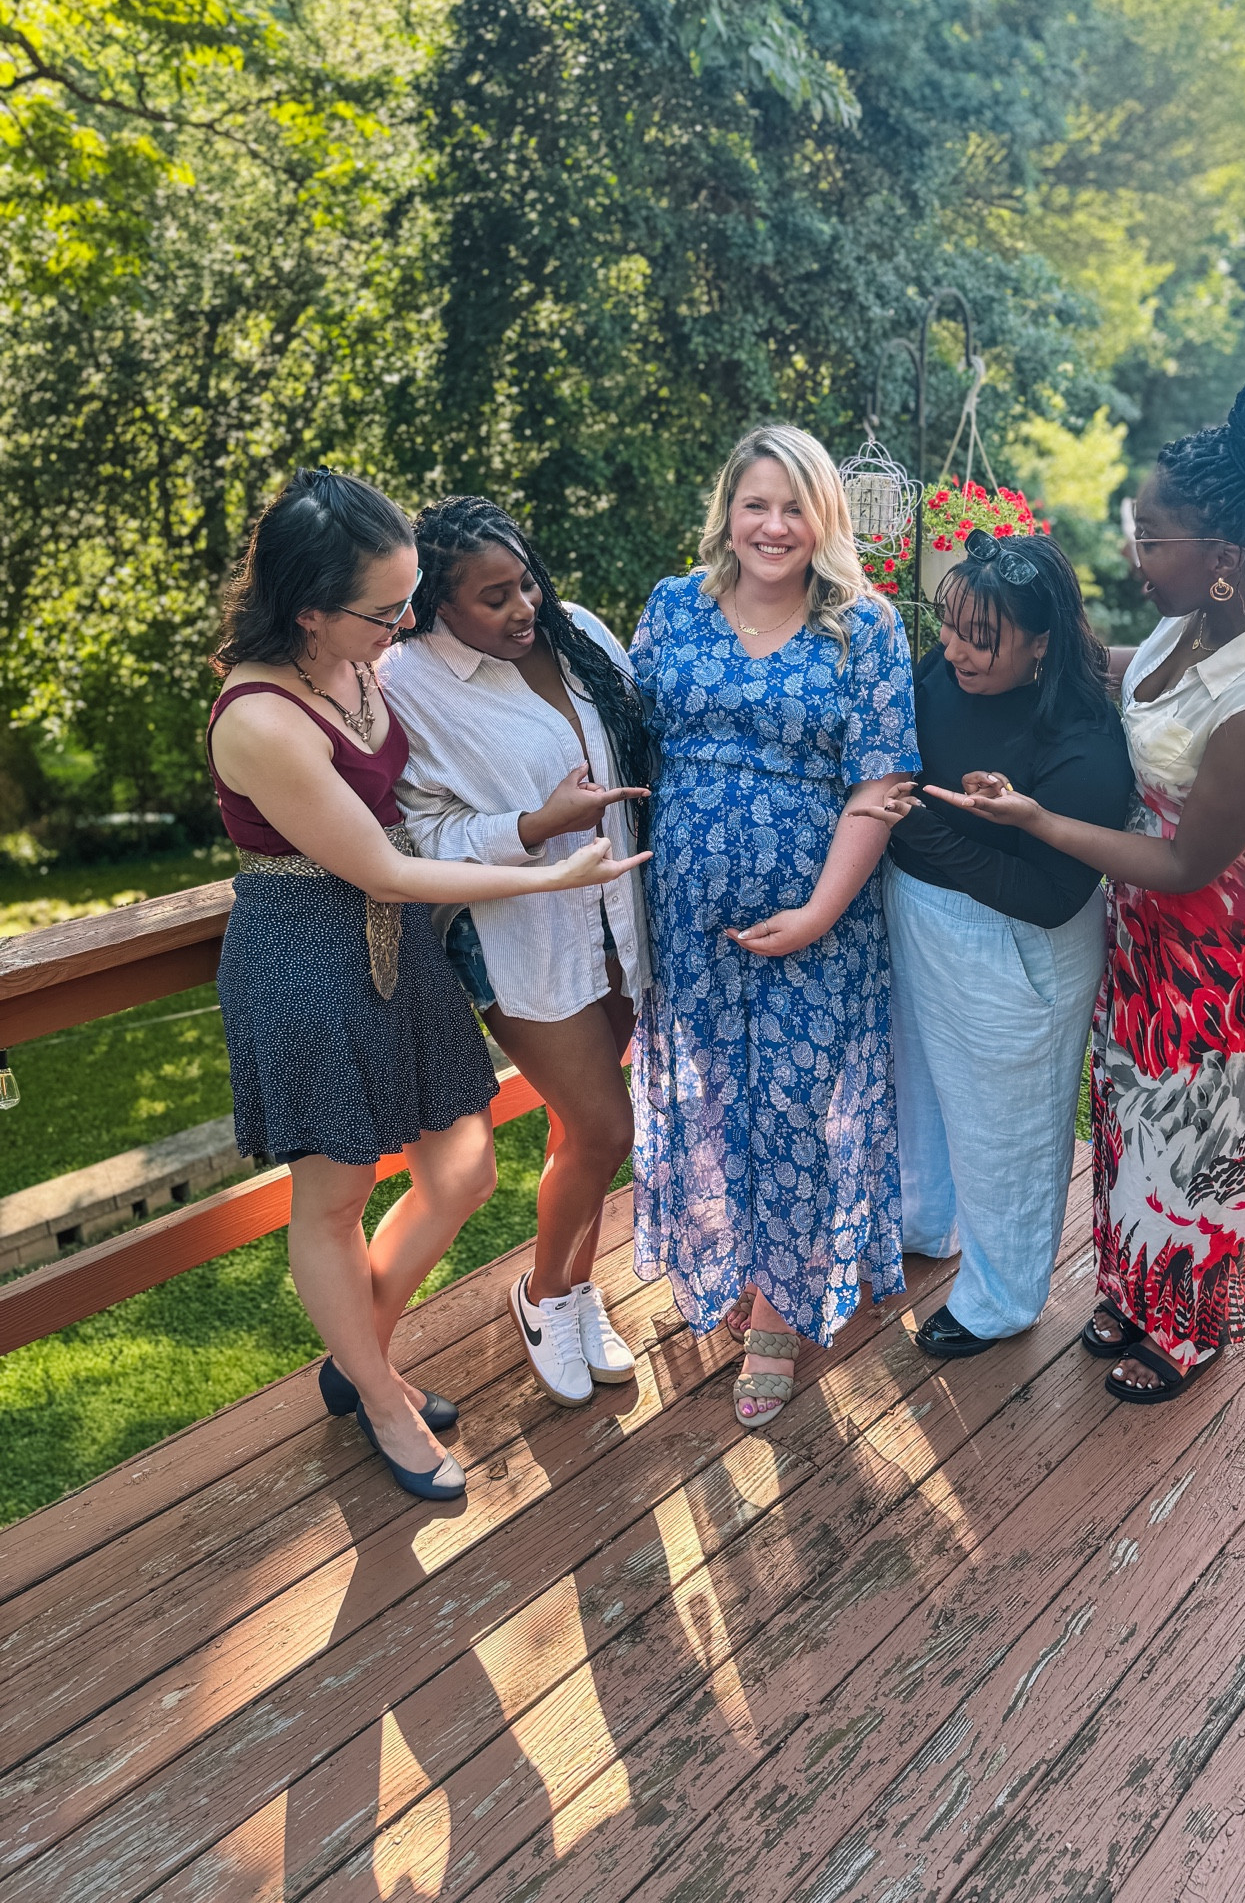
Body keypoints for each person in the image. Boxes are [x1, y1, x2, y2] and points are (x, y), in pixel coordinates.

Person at [925, 361, 1245, 1403]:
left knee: (1205, 1118)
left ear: (1221, 554)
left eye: (1150, 535)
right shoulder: (1214, 602)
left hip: (1227, 926)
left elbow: (1185, 862)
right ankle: (1138, 1281)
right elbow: (1132, 670)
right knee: (1134, 1097)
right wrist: (1019, 625)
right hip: (1152, 903)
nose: (1136, 548)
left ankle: (1194, 1322)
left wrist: (1038, 818)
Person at [208, 469, 647, 1500]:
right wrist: (547, 864)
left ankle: (356, 1356)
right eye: (386, 609)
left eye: (410, 598)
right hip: (308, 956)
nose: (404, 625)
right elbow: (388, 862)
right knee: (336, 1195)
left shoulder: (361, 666)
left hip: (398, 948)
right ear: (309, 610)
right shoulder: (260, 716)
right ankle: (382, 1392)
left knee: (461, 1172)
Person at [629, 423, 921, 1429]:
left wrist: (816, 912)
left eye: (795, 505)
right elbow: (633, 737)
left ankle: (773, 1318)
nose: (773, 524)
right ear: (729, 511)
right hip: (693, 925)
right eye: (757, 502)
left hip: (818, 923)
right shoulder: (674, 608)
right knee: (713, 1101)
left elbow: (882, 786)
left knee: (794, 1108)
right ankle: (728, 1266)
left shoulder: (865, 627)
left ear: (825, 517)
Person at [380, 496, 653, 1412]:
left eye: (524, 581)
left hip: (620, 915)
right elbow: (417, 837)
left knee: (583, 1131)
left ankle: (579, 1293)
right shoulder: (406, 682)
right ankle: (541, 1297)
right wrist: (538, 826)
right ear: (437, 607)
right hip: (520, 937)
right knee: (607, 1125)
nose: (522, 606)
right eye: (492, 598)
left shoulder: (579, 634)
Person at [855, 532, 1134, 1358]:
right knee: (928, 1091)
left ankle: (1001, 1296)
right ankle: (927, 1220)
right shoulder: (943, 667)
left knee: (1005, 1125)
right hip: (921, 912)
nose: (955, 651)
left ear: (1043, 641)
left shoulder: (1084, 743)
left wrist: (928, 831)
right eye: (949, 628)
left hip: (1014, 944)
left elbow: (1050, 897)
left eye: (982, 638)